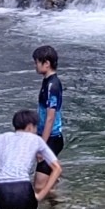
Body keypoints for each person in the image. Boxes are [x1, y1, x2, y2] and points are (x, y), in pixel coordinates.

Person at [32, 44, 63, 195]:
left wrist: (41, 145)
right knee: (47, 181)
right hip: (46, 136)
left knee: (38, 186)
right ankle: (55, 203)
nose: (35, 65)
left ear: (46, 63)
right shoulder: (47, 81)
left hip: (52, 138)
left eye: (37, 62)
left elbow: (50, 118)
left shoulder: (52, 85)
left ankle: (56, 206)